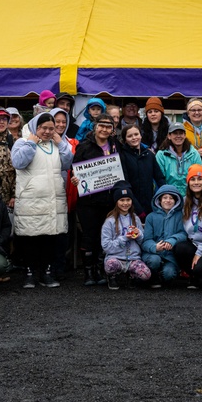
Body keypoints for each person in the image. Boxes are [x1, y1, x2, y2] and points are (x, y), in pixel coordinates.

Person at [11, 113, 72, 288]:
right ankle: (30, 273)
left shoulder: (57, 145)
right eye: (43, 128)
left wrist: (60, 143)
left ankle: (47, 273)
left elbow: (68, 163)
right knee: (30, 238)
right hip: (31, 200)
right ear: (34, 127)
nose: (47, 131)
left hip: (53, 199)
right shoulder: (22, 142)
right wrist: (31, 142)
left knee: (50, 238)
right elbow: (18, 162)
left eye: (50, 128)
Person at [72, 113, 119, 285]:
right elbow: (75, 168)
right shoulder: (84, 146)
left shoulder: (115, 145)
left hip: (108, 200)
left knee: (104, 235)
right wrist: (75, 178)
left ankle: (100, 269)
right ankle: (88, 272)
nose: (105, 129)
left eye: (109, 126)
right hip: (88, 200)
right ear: (95, 126)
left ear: (113, 129)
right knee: (89, 235)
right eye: (102, 125)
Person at [101, 181, 152, 290]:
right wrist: (124, 238)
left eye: (128, 200)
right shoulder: (109, 221)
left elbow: (143, 242)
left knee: (146, 275)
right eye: (122, 200)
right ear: (116, 202)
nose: (125, 203)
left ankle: (131, 275)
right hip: (116, 257)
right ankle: (112, 276)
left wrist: (138, 235)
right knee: (110, 265)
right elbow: (106, 246)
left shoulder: (135, 218)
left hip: (133, 257)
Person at [141, 185, 185, 287]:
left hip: (170, 256)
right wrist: (155, 247)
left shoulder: (180, 216)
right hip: (152, 254)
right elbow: (146, 240)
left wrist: (172, 240)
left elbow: (183, 233)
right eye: (165, 198)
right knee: (154, 261)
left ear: (176, 200)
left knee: (169, 275)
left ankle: (162, 275)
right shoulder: (150, 217)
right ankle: (153, 275)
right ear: (159, 200)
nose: (168, 200)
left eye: (171, 198)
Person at [119, 123, 165, 218]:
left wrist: (163, 198)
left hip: (150, 204)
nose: (134, 138)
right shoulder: (122, 156)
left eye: (136, 134)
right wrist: (137, 208)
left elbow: (159, 178)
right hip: (130, 207)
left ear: (140, 135)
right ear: (125, 139)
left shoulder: (149, 155)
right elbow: (125, 184)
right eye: (130, 136)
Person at [155, 122, 202, 197]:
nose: (178, 136)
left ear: (185, 135)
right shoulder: (161, 155)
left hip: (190, 195)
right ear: (169, 136)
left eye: (181, 133)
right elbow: (160, 178)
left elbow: (198, 176)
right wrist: (169, 195)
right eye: (175, 133)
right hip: (169, 195)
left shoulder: (194, 153)